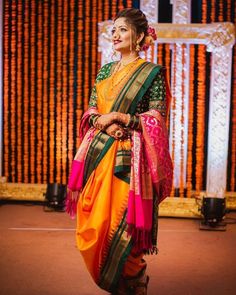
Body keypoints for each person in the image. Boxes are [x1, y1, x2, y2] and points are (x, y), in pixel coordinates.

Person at [66, 8, 173, 295]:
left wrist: (123, 119)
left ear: (139, 37)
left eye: (123, 30)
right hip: (99, 155)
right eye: (114, 30)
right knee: (93, 226)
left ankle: (135, 281)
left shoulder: (152, 74)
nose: (115, 34)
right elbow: (90, 110)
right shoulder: (104, 71)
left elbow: (157, 118)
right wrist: (103, 123)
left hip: (130, 162)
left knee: (124, 226)